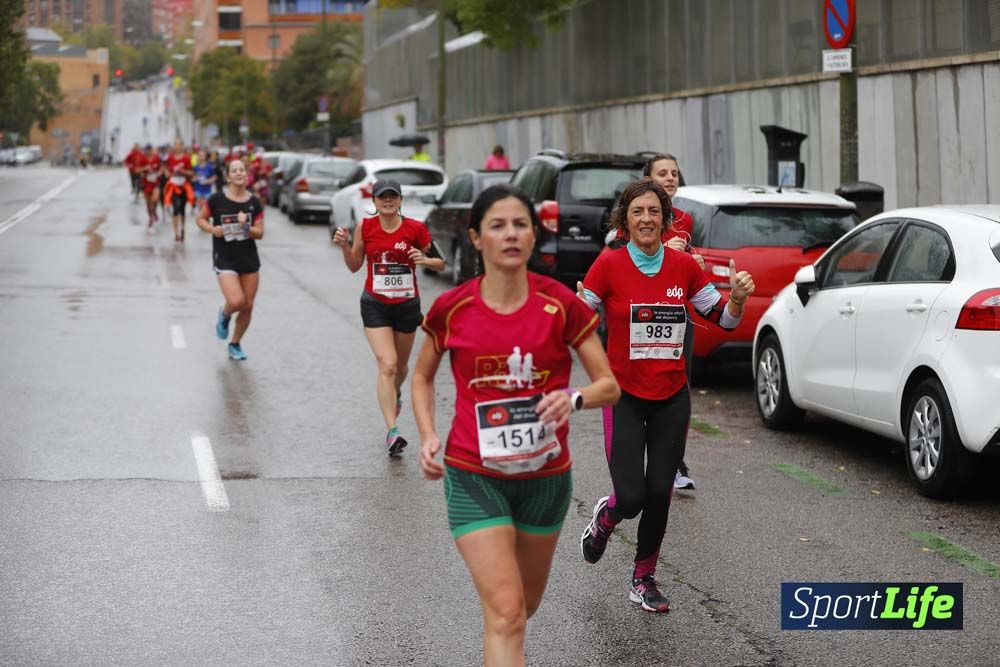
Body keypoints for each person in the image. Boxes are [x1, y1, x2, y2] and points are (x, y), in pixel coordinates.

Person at [412, 184, 619, 665]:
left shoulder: (560, 304)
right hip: (474, 474)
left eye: (520, 224)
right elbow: (420, 377)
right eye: (498, 226)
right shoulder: (452, 308)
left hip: (545, 480)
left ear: (534, 235)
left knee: (522, 607)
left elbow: (609, 386)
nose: (510, 234)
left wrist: (574, 398)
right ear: (476, 238)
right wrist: (427, 434)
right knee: (506, 613)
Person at [578, 179, 755, 613]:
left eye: (654, 211)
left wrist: (736, 299)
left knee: (660, 492)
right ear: (625, 220)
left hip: (671, 396)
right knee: (631, 496)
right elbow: (577, 320)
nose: (646, 219)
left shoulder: (684, 267)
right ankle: (605, 519)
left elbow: (724, 319)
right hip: (622, 395)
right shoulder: (608, 265)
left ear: (665, 219)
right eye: (637, 211)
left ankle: (643, 578)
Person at [332, 180, 445, 456]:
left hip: (407, 305)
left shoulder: (415, 228)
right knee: (388, 363)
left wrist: (424, 260)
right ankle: (393, 430)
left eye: (393, 196)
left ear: (400, 200)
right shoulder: (366, 227)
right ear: (374, 201)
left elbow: (441, 263)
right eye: (382, 197)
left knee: (401, 368)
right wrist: (345, 246)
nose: (388, 200)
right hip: (375, 304)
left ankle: (395, 393)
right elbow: (355, 266)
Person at [642, 153, 701, 490]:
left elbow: (688, 267)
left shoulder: (685, 219)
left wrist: (693, 260)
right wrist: (666, 249)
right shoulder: (635, 216)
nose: (669, 179)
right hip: (640, 315)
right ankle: (635, 455)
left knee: (678, 386)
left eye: (674, 173)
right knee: (640, 387)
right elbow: (625, 255)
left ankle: (675, 462)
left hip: (678, 314)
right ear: (647, 179)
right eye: (662, 173)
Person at [195, 158, 265, 361]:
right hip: (224, 256)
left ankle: (235, 343)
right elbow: (200, 219)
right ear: (227, 177)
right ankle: (224, 315)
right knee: (236, 301)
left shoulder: (254, 203)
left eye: (242, 170)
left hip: (248, 257)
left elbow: (260, 233)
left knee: (248, 305)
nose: (239, 173)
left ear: (247, 175)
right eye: (234, 171)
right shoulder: (216, 200)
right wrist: (212, 229)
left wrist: (245, 227)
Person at [164, 164, 195, 242]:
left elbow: (192, 173)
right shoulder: (170, 159)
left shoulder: (185, 159)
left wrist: (183, 171)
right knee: (175, 209)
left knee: (182, 211)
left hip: (184, 187)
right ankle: (176, 233)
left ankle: (182, 228)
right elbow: (166, 171)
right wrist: (169, 173)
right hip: (173, 187)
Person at [137, 144, 162, 229]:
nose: (148, 152)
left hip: (155, 183)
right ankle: (151, 218)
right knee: (148, 203)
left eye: (150, 150)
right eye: (147, 150)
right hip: (146, 184)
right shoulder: (142, 159)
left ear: (152, 150)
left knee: (155, 199)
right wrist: (144, 168)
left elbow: (162, 167)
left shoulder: (157, 158)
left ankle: (154, 211)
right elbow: (137, 170)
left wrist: (159, 173)